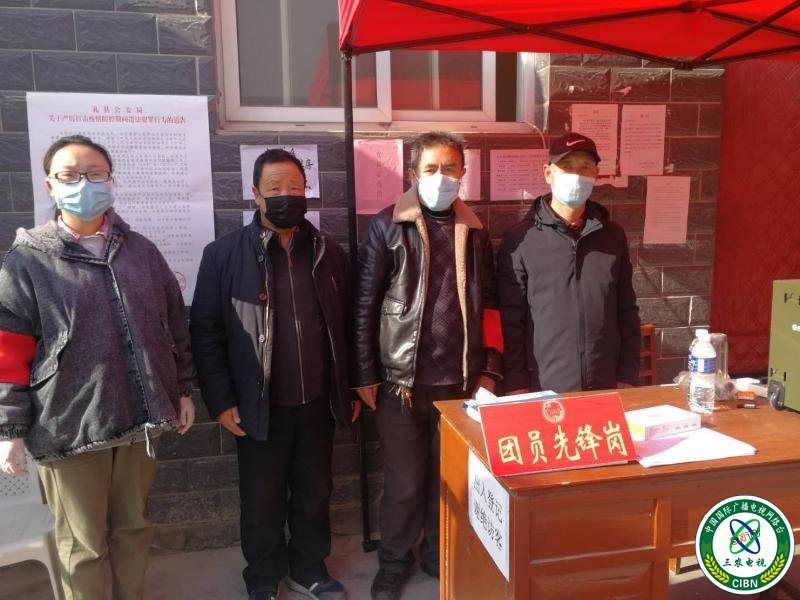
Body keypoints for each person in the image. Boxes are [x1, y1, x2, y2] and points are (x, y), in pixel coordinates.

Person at [0, 134, 195, 600]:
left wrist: (183, 389)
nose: (84, 184)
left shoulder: (141, 251)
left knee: (134, 529)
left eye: (95, 173)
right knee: (83, 545)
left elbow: (173, 324)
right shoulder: (27, 261)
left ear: (111, 179)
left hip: (140, 419)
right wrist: (10, 429)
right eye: (70, 175)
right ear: (50, 185)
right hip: (69, 426)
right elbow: (8, 352)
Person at [190, 149, 357, 600]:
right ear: (255, 195)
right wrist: (220, 400)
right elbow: (205, 332)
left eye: (295, 188)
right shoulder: (223, 255)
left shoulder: (328, 252)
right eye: (275, 188)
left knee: (315, 492)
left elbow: (347, 324)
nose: (287, 195)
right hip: (257, 405)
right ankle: (264, 577)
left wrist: (348, 388)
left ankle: (309, 568)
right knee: (261, 500)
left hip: (317, 402)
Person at [352, 131, 502, 600]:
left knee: (451, 480)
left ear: (464, 172)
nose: (442, 177)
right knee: (403, 484)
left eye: (451, 168)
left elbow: (490, 307)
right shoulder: (386, 226)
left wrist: (490, 369)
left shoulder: (475, 231)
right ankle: (394, 562)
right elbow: (364, 305)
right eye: (432, 168)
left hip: (459, 384)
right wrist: (364, 374)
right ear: (414, 173)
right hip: (401, 384)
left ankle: (441, 556)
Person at [497, 132, 640, 394]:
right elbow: (510, 320)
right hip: (545, 387)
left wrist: (627, 374)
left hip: (605, 384)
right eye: (567, 166)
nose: (576, 175)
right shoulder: (521, 240)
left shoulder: (612, 236)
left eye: (585, 166)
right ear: (548, 173)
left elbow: (626, 311)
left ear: (596, 174)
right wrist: (517, 383)